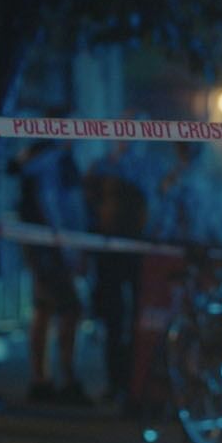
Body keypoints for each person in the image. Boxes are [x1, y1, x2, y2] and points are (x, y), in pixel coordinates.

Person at [10, 130, 90, 405]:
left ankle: (42, 379)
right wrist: (68, 247)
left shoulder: (40, 157)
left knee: (44, 308)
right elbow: (54, 205)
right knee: (70, 308)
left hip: (43, 246)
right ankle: (66, 378)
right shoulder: (55, 160)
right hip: (52, 247)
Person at [85, 135, 149, 406]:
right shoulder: (102, 168)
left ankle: (138, 383)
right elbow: (89, 202)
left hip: (140, 252)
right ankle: (116, 382)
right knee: (113, 317)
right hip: (109, 251)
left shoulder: (149, 168)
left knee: (140, 318)